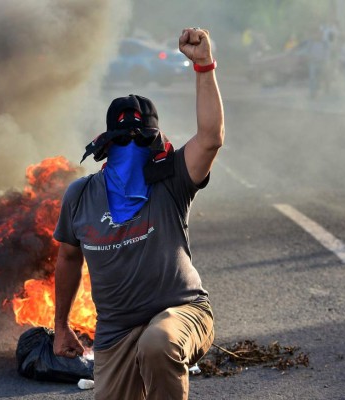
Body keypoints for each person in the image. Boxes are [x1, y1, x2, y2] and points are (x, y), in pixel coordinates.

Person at [53, 27, 224, 400]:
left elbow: (210, 137)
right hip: (115, 334)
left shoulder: (172, 179)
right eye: (124, 141)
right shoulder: (81, 196)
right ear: (108, 144)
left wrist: (204, 67)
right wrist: (61, 324)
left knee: (158, 344)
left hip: (182, 313)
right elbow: (67, 257)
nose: (132, 149)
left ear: (156, 143)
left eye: (141, 140)